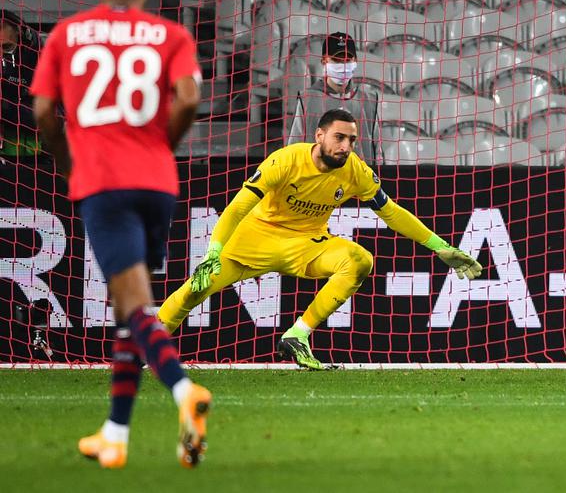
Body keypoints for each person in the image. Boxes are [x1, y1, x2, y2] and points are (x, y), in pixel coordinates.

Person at [29, 0, 211, 469]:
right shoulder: (170, 34)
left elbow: (42, 111)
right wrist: (161, 146)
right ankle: (115, 433)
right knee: (133, 307)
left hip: (104, 182)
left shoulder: (68, 34)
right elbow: (191, 97)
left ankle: (183, 391)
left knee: (132, 306)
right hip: (157, 182)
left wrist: (68, 162)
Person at [158, 108, 482, 370]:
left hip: (306, 244)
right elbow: (238, 207)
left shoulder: (354, 171)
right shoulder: (286, 160)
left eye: (352, 140)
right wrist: (214, 249)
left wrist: (440, 247)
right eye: (339, 137)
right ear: (319, 135)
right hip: (253, 241)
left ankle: (298, 334)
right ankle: (141, 353)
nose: (346, 146)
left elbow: (392, 212)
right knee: (190, 294)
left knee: (359, 261)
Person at [286, 32, 380, 162]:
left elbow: (378, 151)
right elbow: (293, 149)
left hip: (358, 178)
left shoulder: (369, 99)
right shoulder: (307, 99)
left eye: (348, 60)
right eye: (336, 60)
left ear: (355, 61)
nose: (343, 66)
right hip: (319, 179)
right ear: (324, 61)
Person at [1, 10, 40, 157]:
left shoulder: (37, 58)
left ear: (19, 34)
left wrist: (6, 106)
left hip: (32, 141)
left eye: (6, 47)